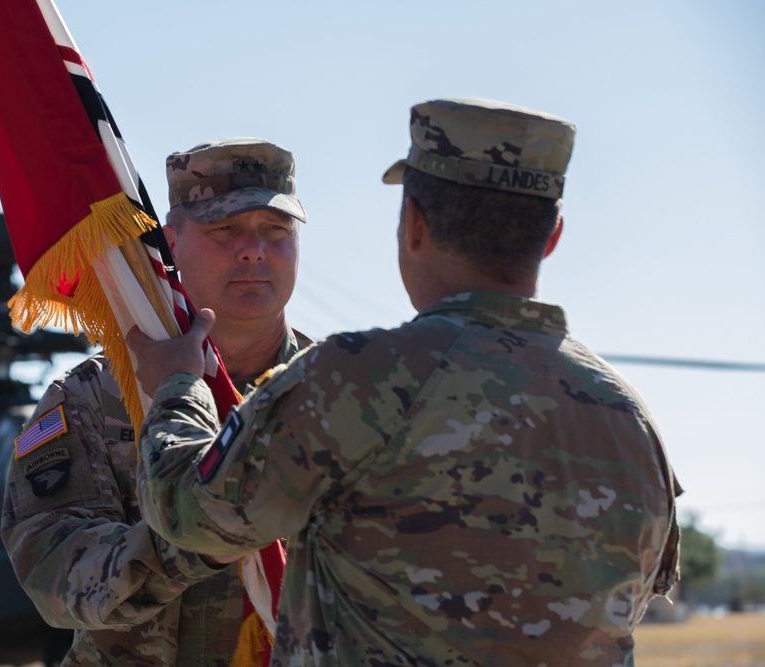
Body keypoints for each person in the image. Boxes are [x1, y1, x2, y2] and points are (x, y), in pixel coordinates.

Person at [127, 98, 683, 666]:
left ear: (413, 223)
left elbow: (187, 513)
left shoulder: (355, 381)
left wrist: (176, 385)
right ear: (552, 236)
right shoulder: (629, 420)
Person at [1, 137, 311, 666]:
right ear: (170, 244)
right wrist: (202, 537)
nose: (254, 249)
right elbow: (52, 573)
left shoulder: (336, 391)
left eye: (276, 230)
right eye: (225, 229)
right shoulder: (95, 396)